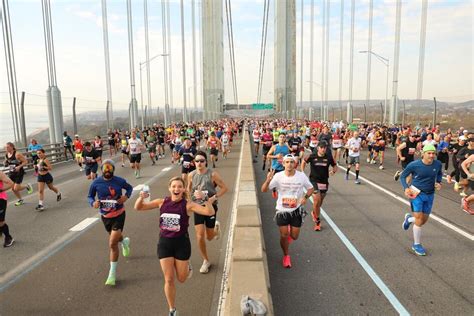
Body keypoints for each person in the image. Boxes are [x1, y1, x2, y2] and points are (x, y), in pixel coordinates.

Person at [135, 177, 216, 316]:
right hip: (165, 244)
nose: (176, 189)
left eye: (179, 186)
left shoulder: (187, 205)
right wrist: (140, 198)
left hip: (181, 244)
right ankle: (172, 309)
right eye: (174, 186)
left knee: (182, 279)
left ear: (184, 189)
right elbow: (139, 207)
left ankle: (186, 266)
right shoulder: (162, 202)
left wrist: (206, 200)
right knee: (169, 279)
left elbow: (210, 212)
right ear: (169, 188)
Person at [261, 154, 314, 268]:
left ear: (295, 164)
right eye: (287, 162)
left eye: (291, 162)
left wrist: (304, 198)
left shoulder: (301, 176)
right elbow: (264, 189)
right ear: (283, 164)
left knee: (294, 236)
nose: (289, 164)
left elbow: (311, 188)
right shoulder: (278, 176)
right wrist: (268, 180)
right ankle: (286, 255)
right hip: (282, 210)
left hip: (296, 210)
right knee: (284, 235)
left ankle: (290, 234)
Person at [88, 159, 133, 286]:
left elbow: (129, 188)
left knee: (112, 243)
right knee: (116, 238)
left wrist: (126, 196)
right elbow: (90, 196)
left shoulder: (119, 181)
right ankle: (124, 242)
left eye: (110, 168)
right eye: (105, 168)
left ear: (113, 169)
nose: (107, 170)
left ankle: (112, 274)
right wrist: (93, 203)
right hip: (105, 216)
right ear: (101, 169)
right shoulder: (96, 182)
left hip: (119, 214)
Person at [187, 151, 228, 274]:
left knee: (209, 237)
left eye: (202, 161)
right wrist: (189, 202)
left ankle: (215, 229)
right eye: (197, 161)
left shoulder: (212, 174)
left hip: (210, 207)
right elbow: (188, 188)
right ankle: (206, 261)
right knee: (199, 236)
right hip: (198, 207)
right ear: (194, 162)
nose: (199, 163)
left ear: (206, 162)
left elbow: (225, 188)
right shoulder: (191, 175)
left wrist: (213, 198)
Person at [400, 144, 442, 256]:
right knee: (419, 220)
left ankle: (408, 220)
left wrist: (438, 182)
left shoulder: (437, 164)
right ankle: (416, 245)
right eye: (429, 153)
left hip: (430, 194)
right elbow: (403, 176)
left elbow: (439, 174)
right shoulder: (414, 165)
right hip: (416, 193)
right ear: (423, 153)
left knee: (423, 221)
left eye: (433, 153)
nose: (432, 155)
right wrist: (406, 188)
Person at [300, 141, 337, 231]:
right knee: (316, 200)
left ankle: (314, 212)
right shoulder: (312, 156)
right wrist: (302, 171)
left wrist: (333, 171)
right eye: (321, 147)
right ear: (318, 148)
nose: (323, 149)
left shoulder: (328, 157)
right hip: (313, 181)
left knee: (320, 202)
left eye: (324, 147)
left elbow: (335, 165)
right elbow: (304, 161)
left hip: (324, 181)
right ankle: (317, 222)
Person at [0, 171, 15, 247]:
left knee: (1, 222)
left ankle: (8, 237)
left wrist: (1, 190)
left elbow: (11, 183)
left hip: (1, 200)